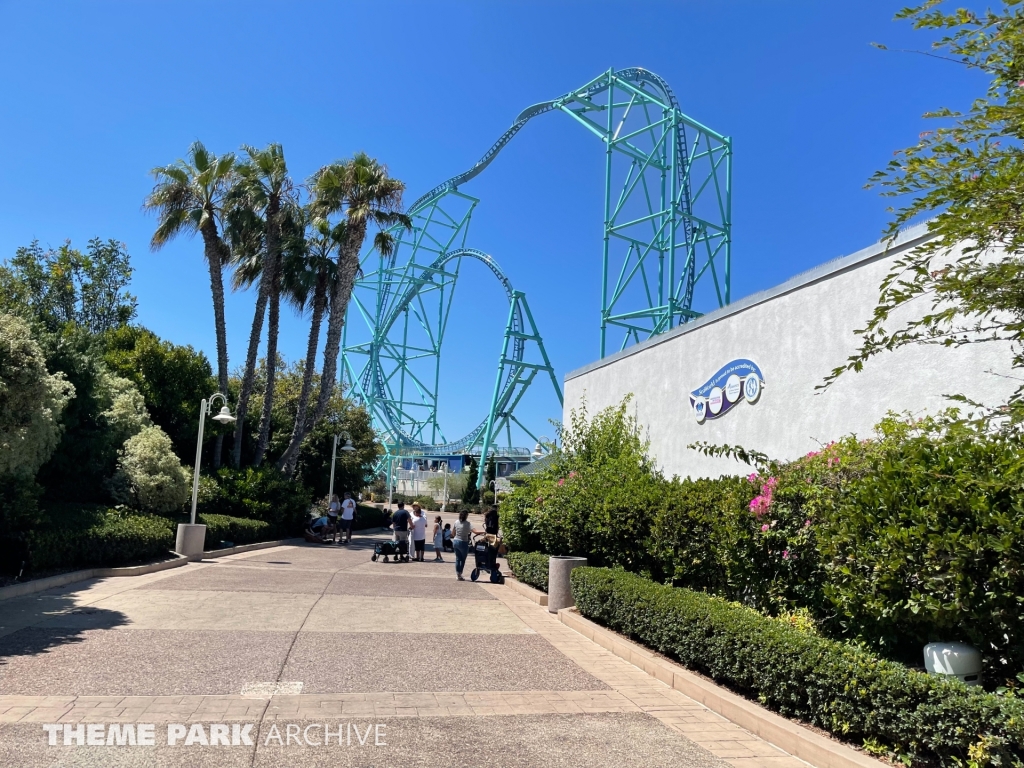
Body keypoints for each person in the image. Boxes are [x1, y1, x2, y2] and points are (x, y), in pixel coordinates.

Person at [452, 510, 473, 581]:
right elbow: (474, 531)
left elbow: (453, 533)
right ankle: (460, 574)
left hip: (456, 541)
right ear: (466, 516)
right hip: (463, 542)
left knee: (458, 558)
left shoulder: (456, 522)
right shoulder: (468, 524)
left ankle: (458, 574)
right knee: (463, 559)